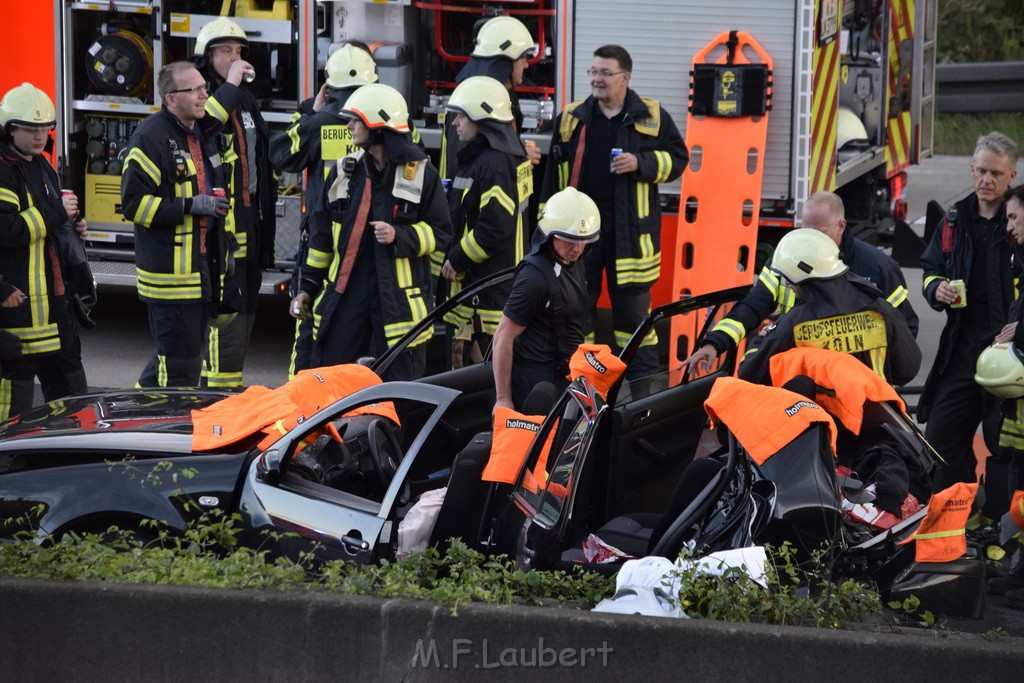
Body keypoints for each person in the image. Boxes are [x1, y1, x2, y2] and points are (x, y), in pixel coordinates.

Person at [540, 44, 687, 384]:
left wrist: (642, 163)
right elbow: (553, 177)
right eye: (593, 72)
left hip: (631, 240)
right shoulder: (573, 116)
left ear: (625, 77)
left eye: (605, 73)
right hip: (581, 236)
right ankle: (584, 392)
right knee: (579, 317)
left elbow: (679, 159)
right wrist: (545, 230)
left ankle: (643, 398)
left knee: (635, 325)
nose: (597, 79)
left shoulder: (651, 115)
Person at [288, 84, 452, 381]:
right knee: (331, 381)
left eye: (356, 120)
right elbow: (321, 240)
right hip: (347, 297)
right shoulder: (342, 174)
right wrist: (307, 289)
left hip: (398, 305)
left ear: (378, 127)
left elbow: (441, 232)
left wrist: (400, 237)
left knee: (398, 392)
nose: (349, 126)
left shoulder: (421, 174)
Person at [683, 191, 919, 372]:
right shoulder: (787, 259)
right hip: (800, 383)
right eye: (807, 231)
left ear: (841, 226)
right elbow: (753, 306)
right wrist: (714, 343)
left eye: (820, 233)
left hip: (856, 386)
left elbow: (904, 328)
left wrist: (879, 376)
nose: (811, 241)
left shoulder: (877, 267)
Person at [121, 61, 240, 388]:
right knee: (178, 366)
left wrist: (226, 256)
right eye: (196, 89)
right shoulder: (151, 137)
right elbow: (134, 206)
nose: (205, 94)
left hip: (200, 268)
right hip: (170, 278)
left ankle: (145, 415)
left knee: (180, 360)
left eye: (205, 87)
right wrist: (190, 206)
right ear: (172, 98)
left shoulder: (205, 132)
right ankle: (155, 424)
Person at [269, 42, 381, 377]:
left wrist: (309, 112)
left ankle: (300, 404)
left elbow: (279, 154)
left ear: (329, 87)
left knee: (311, 324)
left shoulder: (319, 122)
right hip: (374, 240)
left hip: (323, 239)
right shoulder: (387, 119)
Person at [920, 132, 1019, 491]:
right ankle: (954, 517)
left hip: (1011, 356)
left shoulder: (1018, 223)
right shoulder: (954, 220)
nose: (986, 180)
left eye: (995, 173)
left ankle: (998, 524)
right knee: (940, 441)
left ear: (1012, 175)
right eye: (980, 171)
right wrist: (936, 288)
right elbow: (931, 268)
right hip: (961, 352)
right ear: (971, 169)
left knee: (1005, 447)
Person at [193, 17, 278, 388]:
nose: (234, 57)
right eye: (225, 50)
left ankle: (227, 389)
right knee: (225, 314)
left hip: (250, 224)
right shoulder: (203, 95)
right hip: (223, 229)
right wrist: (228, 85)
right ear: (207, 56)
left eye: (239, 51)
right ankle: (215, 396)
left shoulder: (243, 98)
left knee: (245, 313)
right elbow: (203, 126)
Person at [0, 83, 89, 419]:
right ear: (9, 129)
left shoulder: (43, 165)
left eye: (44, 128)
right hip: (19, 312)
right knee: (14, 406)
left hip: (56, 309)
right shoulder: (3, 171)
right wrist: (56, 212)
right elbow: (7, 231)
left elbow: (52, 219)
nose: (40, 136)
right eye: (30, 129)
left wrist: (73, 227)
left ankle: (62, 462)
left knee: (71, 401)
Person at [737, 228, 921, 388]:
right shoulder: (882, 311)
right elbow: (907, 369)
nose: (788, 285)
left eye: (789, 279)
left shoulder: (793, 323)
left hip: (816, 422)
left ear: (800, 278)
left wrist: (759, 341)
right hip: (873, 419)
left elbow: (751, 374)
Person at [440, 76, 529, 362]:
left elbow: (493, 229)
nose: (455, 122)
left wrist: (456, 259)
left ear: (482, 117)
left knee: (486, 380)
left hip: (489, 292)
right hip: (489, 287)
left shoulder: (493, 164)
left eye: (461, 115)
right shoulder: (494, 158)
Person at [492, 187, 600, 411]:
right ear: (550, 234)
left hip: (565, 375)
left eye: (583, 240)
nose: (578, 248)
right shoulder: (534, 278)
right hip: (536, 385)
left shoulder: (574, 261)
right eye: (570, 240)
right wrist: (503, 399)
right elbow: (502, 337)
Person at [439, 15, 542, 182]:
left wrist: (517, 149)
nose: (527, 65)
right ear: (505, 61)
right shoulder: (470, 100)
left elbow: (491, 144)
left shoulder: (501, 93)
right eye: (523, 58)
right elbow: (462, 169)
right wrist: (520, 159)